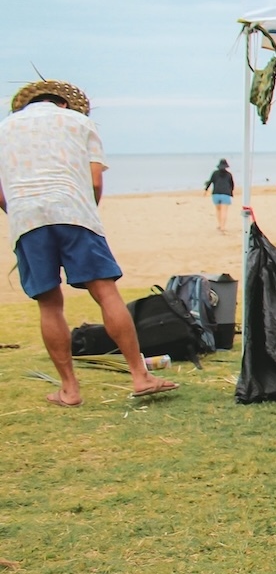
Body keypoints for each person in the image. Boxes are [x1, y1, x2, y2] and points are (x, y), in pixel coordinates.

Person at [0, 80, 177, 405]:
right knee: (105, 292)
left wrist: (20, 214)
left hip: (27, 219)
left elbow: (2, 192)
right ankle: (140, 376)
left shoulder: (5, 129)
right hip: (74, 212)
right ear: (64, 104)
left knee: (50, 303)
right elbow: (95, 180)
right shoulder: (81, 124)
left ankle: (69, 389)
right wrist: (86, 211)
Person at [204, 159, 235, 233]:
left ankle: (220, 225)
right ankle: (223, 227)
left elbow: (210, 182)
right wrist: (231, 192)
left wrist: (206, 190)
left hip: (216, 193)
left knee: (218, 210)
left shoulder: (215, 173)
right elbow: (232, 185)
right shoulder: (229, 174)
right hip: (225, 194)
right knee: (224, 211)